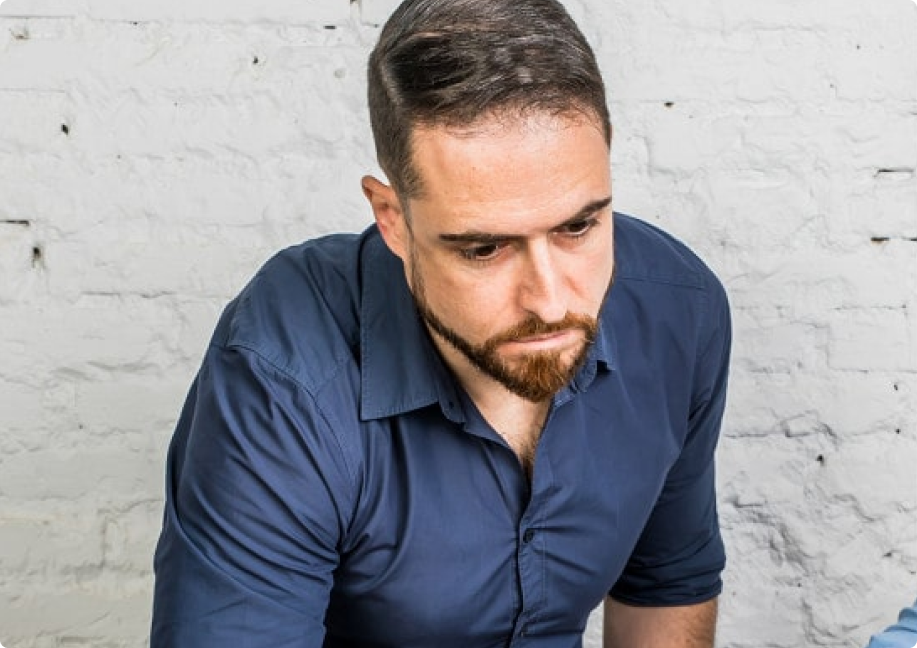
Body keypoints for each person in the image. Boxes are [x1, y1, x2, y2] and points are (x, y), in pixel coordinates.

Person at [150, 0, 732, 646]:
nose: (549, 301)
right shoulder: (286, 372)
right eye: (484, 248)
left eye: (577, 227)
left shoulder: (678, 311)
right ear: (392, 219)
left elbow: (666, 585)